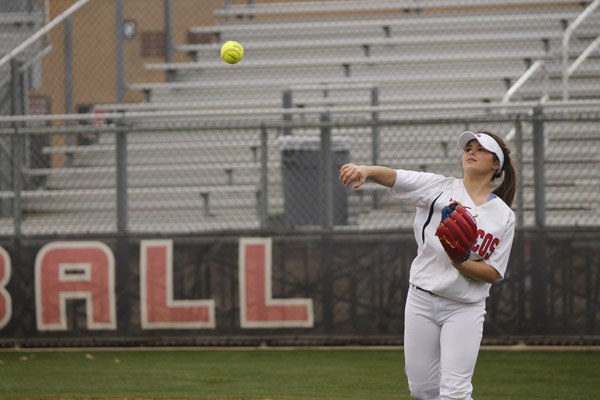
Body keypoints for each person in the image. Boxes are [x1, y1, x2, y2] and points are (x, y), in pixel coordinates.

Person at [339, 130, 517, 400]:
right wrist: (365, 170)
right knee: (422, 390)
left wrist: (461, 262)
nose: (471, 152)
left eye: (481, 149)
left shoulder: (503, 216)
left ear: (496, 165)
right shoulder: (439, 188)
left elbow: (492, 273)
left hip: (465, 307)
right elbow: (396, 176)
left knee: (455, 391)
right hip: (421, 300)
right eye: (468, 147)